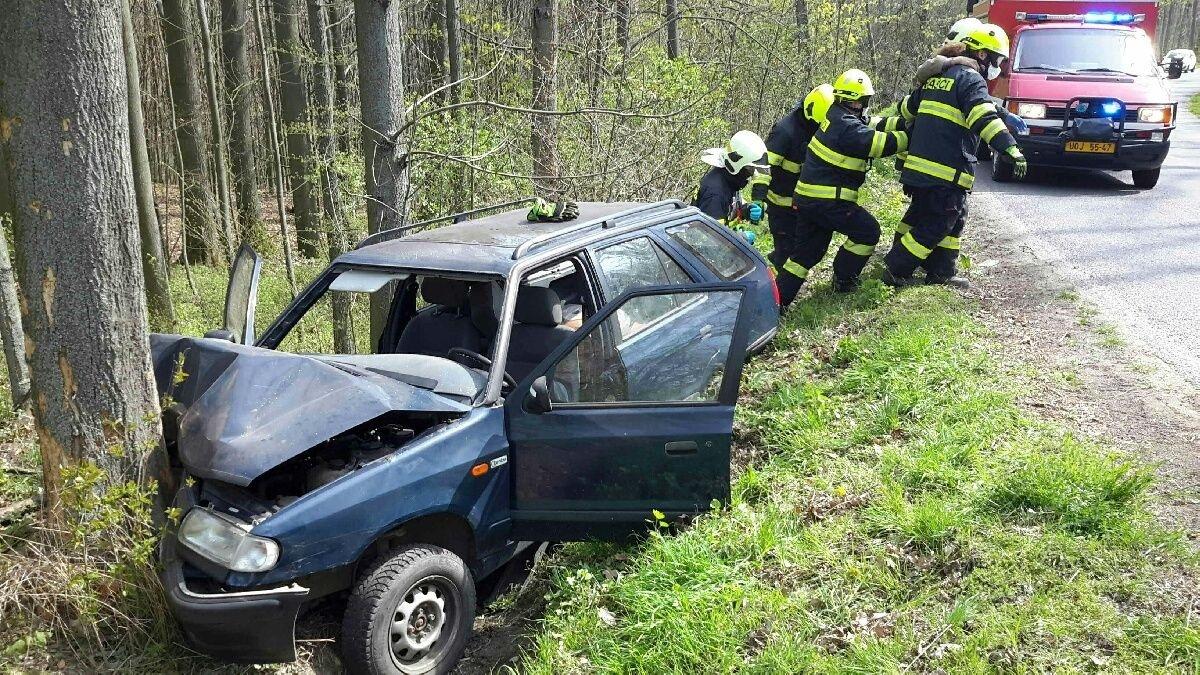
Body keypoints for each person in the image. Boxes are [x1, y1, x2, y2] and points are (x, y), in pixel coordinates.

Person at [883, 23, 1027, 288]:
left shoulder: (939, 77)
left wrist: (1004, 114)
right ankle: (896, 268)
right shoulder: (971, 78)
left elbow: (906, 108)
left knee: (933, 216)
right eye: (996, 58)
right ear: (982, 54)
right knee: (939, 222)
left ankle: (941, 271)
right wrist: (1009, 147)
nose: (997, 66)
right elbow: (981, 115)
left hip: (920, 169)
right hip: (945, 170)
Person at [789, 69, 909, 295]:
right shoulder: (847, 126)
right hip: (829, 201)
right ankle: (844, 282)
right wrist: (912, 136)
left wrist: (901, 123)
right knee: (868, 232)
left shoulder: (837, 115)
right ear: (859, 100)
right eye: (865, 100)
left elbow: (874, 123)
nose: (866, 105)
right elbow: (876, 143)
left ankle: (778, 303)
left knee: (804, 256)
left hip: (809, 199)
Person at [750, 84, 835, 305]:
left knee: (803, 246)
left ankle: (780, 267)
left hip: (803, 201)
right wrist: (758, 197)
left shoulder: (817, 126)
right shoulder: (785, 131)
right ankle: (776, 294)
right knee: (787, 251)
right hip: (781, 203)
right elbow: (763, 166)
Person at [692, 130, 768, 227]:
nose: (751, 174)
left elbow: (729, 208)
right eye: (750, 169)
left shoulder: (729, 179)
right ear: (737, 164)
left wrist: (746, 210)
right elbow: (711, 236)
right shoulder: (715, 194)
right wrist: (741, 237)